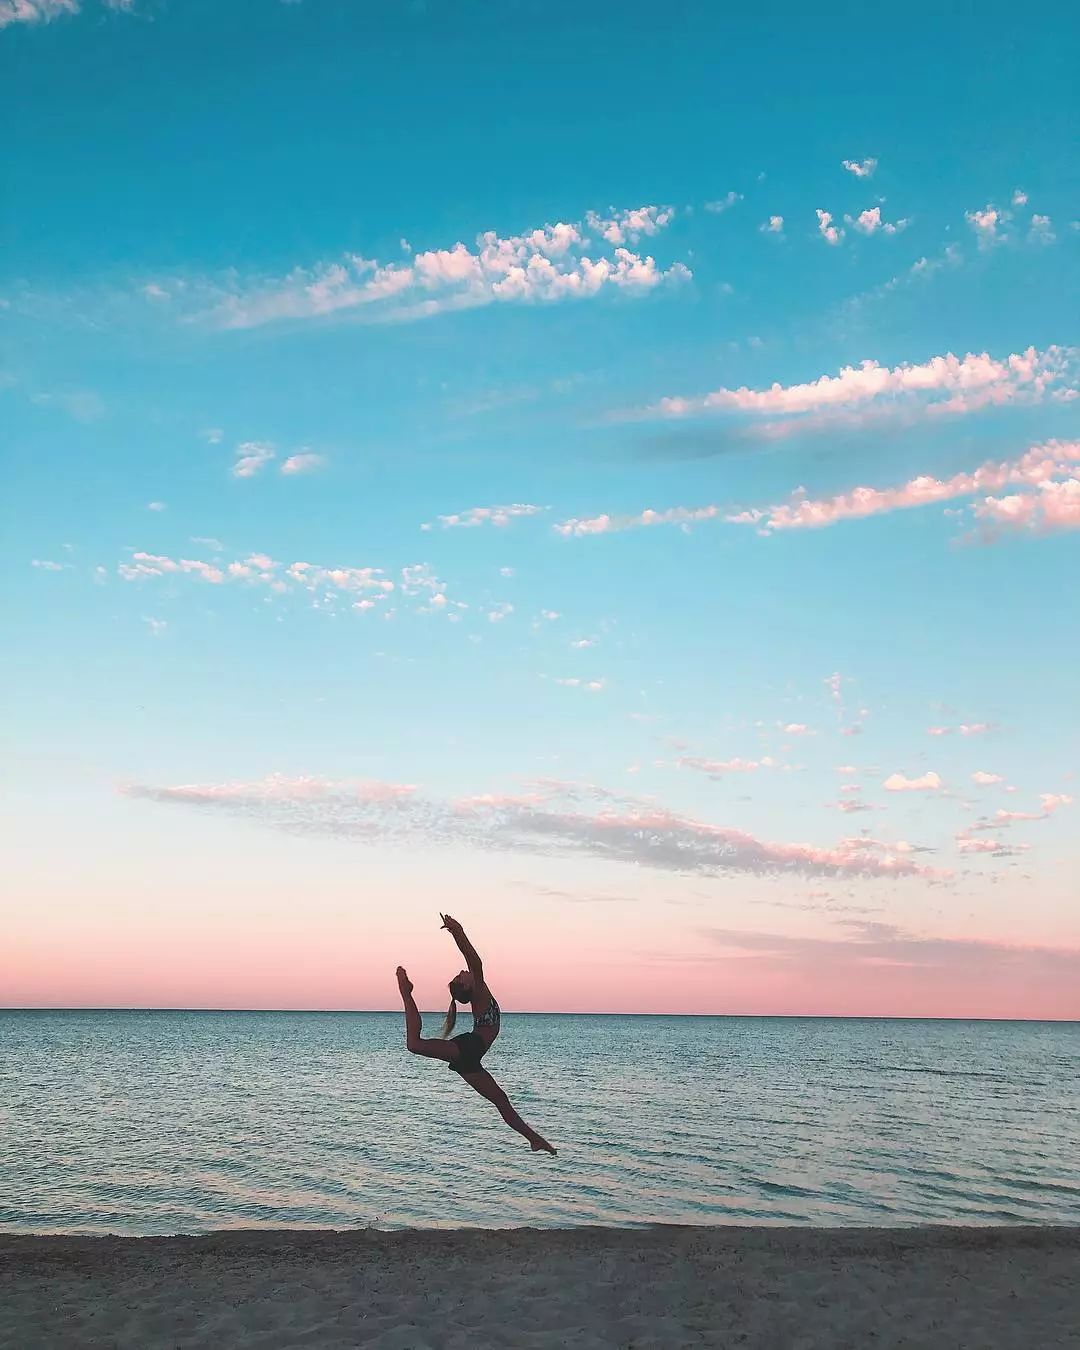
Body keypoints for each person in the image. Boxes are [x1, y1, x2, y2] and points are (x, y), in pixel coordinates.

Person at [395, 914, 556, 1154]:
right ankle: (406, 992)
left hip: (470, 1057)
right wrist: (458, 931)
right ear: (469, 986)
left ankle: (534, 1139)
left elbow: (471, 962)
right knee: (414, 1045)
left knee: (501, 1102)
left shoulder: (479, 993)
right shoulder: (479, 990)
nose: (463, 971)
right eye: (462, 975)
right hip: (469, 1047)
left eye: (462, 972)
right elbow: (474, 959)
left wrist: (458, 933)